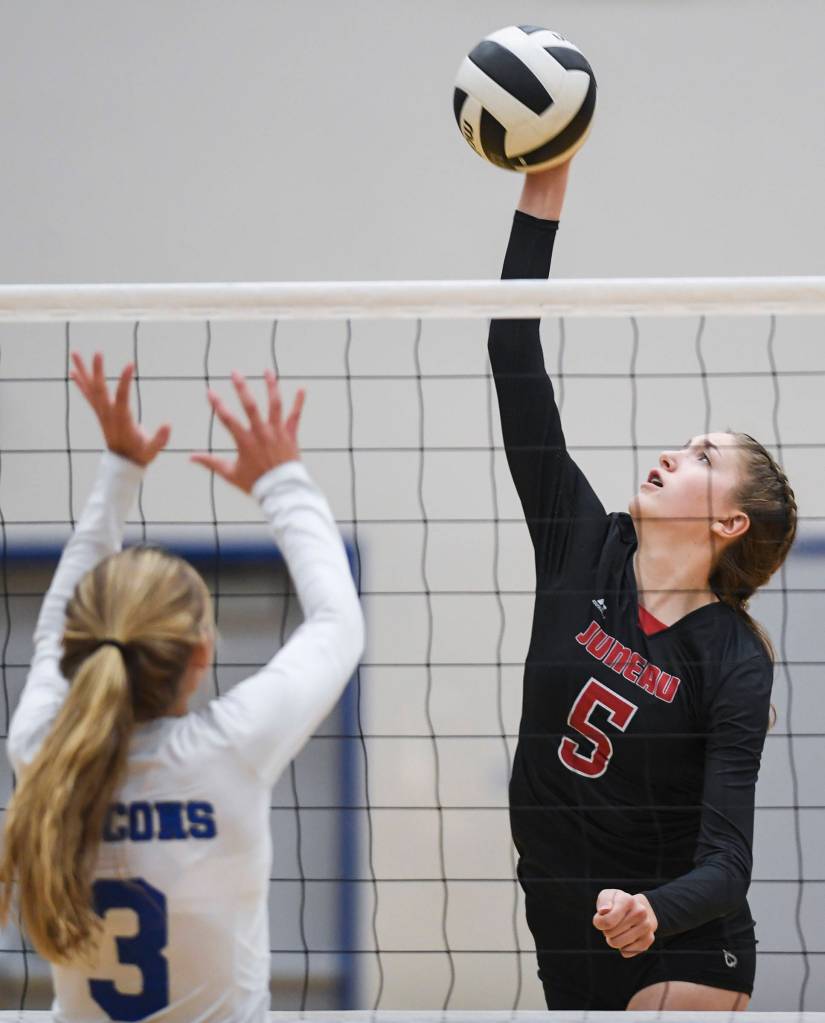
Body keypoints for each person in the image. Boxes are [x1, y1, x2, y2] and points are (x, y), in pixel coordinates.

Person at [490, 159, 797, 1010]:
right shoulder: (578, 545)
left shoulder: (732, 659)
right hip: (561, 921)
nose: (672, 453)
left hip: (680, 943)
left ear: (730, 523)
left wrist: (652, 910)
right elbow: (510, 347)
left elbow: (727, 862)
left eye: (703, 457)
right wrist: (543, 181)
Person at [0, 353, 364, 1022]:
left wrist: (119, 470)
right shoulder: (227, 749)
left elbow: (53, 631)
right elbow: (339, 622)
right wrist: (281, 479)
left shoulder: (39, 752)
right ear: (202, 652)